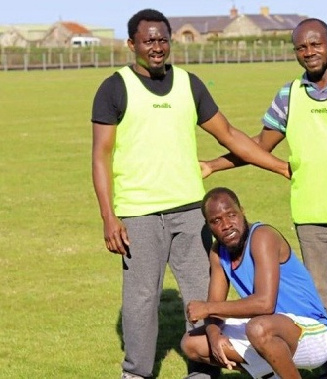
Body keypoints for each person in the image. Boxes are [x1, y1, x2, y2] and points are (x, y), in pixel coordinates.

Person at [201, 18, 327, 379]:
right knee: (326, 304)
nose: (309, 52)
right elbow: (258, 146)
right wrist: (213, 166)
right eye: (301, 47)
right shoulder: (289, 94)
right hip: (311, 218)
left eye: (315, 44)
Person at [91, 9, 289, 379]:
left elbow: (228, 134)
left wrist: (279, 166)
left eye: (162, 39)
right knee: (141, 299)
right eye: (148, 40)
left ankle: (202, 370)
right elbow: (100, 156)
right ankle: (136, 372)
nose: (156, 46)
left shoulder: (189, 84)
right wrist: (108, 216)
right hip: (139, 212)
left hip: (190, 212)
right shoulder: (114, 88)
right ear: (131, 44)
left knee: (202, 294)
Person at [180, 187, 327, 379]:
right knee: (191, 343)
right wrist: (214, 336)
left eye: (231, 215)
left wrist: (207, 308)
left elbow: (264, 303)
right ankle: (272, 374)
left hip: (313, 333)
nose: (227, 225)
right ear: (208, 225)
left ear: (242, 211)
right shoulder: (218, 252)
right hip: (268, 327)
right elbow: (214, 310)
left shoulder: (262, 236)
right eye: (216, 221)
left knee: (258, 328)